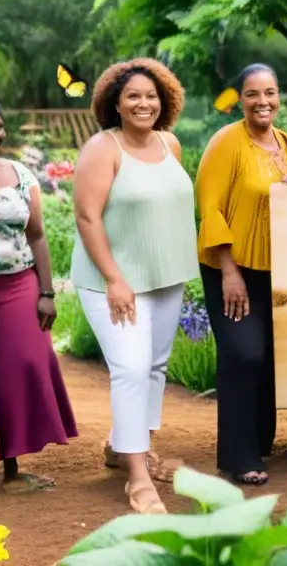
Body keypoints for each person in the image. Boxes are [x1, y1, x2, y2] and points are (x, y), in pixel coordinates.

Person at [70, 59, 199, 514]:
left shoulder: (170, 144)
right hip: (113, 280)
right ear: (116, 104)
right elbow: (86, 216)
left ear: (163, 101)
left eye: (151, 96)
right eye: (133, 97)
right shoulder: (102, 148)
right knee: (130, 366)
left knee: (155, 366)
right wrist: (114, 279)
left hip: (165, 275)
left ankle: (125, 446)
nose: (144, 103)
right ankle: (139, 479)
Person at [195, 64, 287, 486]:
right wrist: (229, 270)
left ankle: (260, 441)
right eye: (252, 94)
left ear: (279, 96)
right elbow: (209, 208)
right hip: (233, 268)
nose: (263, 101)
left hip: (277, 269)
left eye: (270, 93)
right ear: (240, 99)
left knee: (269, 359)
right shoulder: (226, 142)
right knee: (243, 355)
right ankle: (237, 456)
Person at [0, 93, 77, 492]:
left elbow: (37, 235)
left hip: (17, 285)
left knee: (20, 368)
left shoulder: (21, 174)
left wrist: (47, 291)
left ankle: (12, 471)